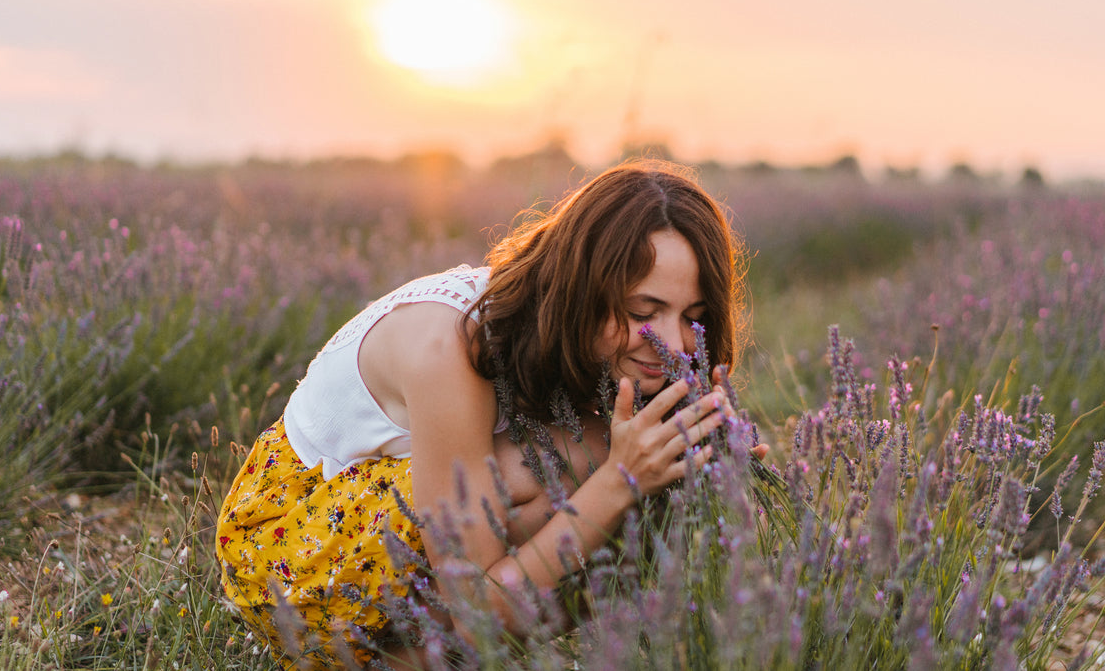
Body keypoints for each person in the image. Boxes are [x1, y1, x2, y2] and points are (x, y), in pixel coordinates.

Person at [215, 160, 754, 668]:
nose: (673, 342)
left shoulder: (574, 337)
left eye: (694, 318)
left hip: (372, 532)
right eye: (643, 311)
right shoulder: (449, 345)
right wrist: (619, 480)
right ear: (582, 286)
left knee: (646, 471)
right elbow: (477, 611)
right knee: (590, 465)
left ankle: (413, 661)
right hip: (287, 552)